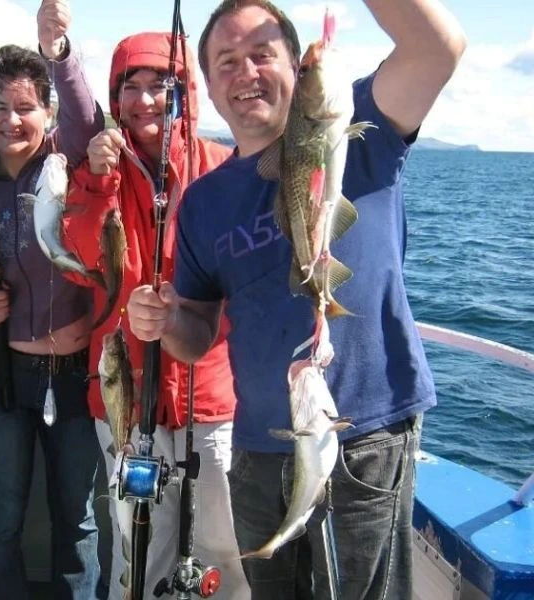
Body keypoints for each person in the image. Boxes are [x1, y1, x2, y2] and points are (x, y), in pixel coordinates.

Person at [126, 0, 466, 598]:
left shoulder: (360, 129)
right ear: (209, 86)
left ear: (295, 65)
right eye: (227, 62)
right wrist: (167, 318)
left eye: (263, 54)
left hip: (361, 435)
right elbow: (196, 335)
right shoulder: (203, 202)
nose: (246, 72)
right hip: (257, 448)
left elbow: (437, 49)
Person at [61, 31, 250, 599]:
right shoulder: (98, 173)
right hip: (127, 398)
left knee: (227, 548)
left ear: (184, 92)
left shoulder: (224, 166)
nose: (144, 100)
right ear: (115, 99)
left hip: (211, 397)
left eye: (159, 85)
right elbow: (82, 265)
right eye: (131, 87)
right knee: (140, 548)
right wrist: (98, 182)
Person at [0, 0, 106, 598]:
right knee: (0, 517)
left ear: (47, 112)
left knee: (77, 518)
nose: (11, 120)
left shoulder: (69, 163)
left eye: (25, 107)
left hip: (76, 373)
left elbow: (87, 119)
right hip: (0, 372)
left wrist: (57, 51)